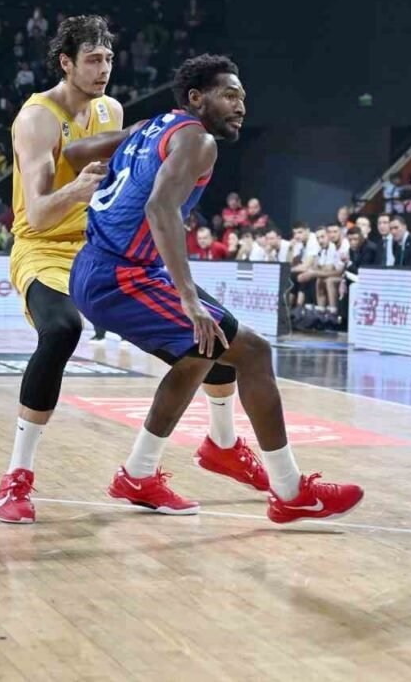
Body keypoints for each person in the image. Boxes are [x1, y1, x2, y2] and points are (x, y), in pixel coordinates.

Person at [71, 54, 362, 521]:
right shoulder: (198, 140)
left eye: (243, 97)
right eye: (229, 95)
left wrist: (93, 168)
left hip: (98, 265)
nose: (241, 106)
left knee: (204, 350)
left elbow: (76, 150)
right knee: (253, 352)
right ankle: (290, 492)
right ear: (196, 98)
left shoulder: (151, 126)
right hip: (122, 276)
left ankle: (164, 464)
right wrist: (188, 298)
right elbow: (160, 209)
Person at [0, 16, 137, 523]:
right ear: (66, 63)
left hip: (99, 246)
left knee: (202, 328)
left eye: (109, 59)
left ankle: (149, 469)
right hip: (43, 246)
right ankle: (16, 476)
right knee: (61, 329)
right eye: (93, 60)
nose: (104, 69)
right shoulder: (38, 118)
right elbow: (37, 214)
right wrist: (77, 189)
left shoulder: (111, 109)